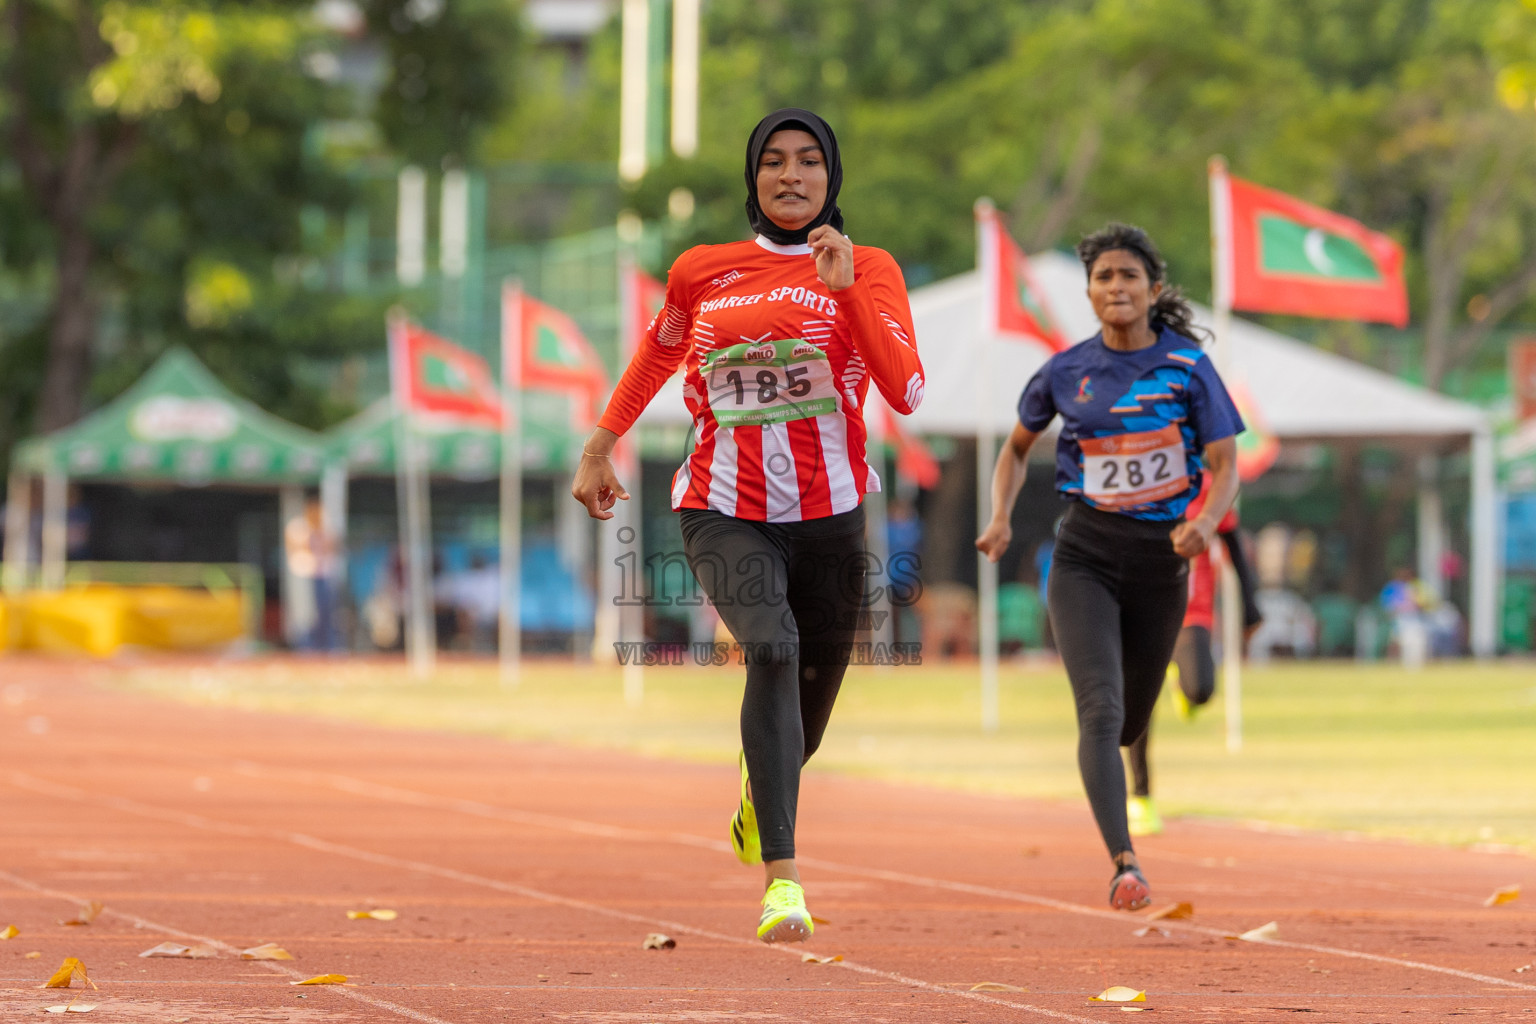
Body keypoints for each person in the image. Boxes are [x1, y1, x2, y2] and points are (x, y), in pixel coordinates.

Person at [571, 108, 924, 943]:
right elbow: (659, 352)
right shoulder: (703, 269)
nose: (791, 176)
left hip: (832, 516)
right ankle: (784, 883)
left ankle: (755, 791)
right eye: (774, 161)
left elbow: (905, 390)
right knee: (771, 647)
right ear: (753, 178)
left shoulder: (867, 267)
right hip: (721, 506)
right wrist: (600, 443)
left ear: (832, 178)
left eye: (808, 162)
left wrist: (846, 296)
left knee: (811, 703)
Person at [975, 223, 1242, 911]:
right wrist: (1001, 515)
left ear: (1153, 290)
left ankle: (1128, 801)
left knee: (1128, 722)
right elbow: (1014, 449)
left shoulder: (1187, 369)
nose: (1115, 288)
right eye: (1103, 277)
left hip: (1162, 563)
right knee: (1101, 711)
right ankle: (1125, 862)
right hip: (1084, 557)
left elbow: (1224, 463)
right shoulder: (1066, 372)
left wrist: (1205, 523)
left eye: (1128, 276)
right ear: (1090, 293)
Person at [1124, 481, 1262, 836]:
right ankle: (1140, 796)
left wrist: (1250, 606)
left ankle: (1182, 683)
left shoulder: (1209, 488)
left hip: (1192, 611)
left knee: (1201, 689)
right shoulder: (1137, 481)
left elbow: (1233, 546)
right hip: (1144, 608)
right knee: (1140, 704)